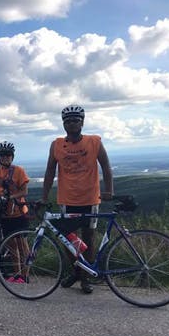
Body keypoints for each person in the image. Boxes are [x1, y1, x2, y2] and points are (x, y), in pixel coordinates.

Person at [42, 104, 114, 294]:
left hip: (90, 198)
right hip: (67, 198)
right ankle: (77, 270)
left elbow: (106, 166)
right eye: (67, 121)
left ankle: (86, 278)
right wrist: (43, 196)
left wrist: (109, 190)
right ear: (63, 124)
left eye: (75, 120)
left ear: (82, 122)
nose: (71, 124)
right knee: (66, 238)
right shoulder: (56, 144)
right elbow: (49, 171)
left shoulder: (94, 142)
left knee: (89, 237)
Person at [0, 141, 30, 283]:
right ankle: (17, 275)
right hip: (4, 214)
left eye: (8, 155)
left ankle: (25, 275)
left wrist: (9, 197)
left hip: (19, 213)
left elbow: (24, 191)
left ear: (12, 156)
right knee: (11, 245)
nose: (5, 158)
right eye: (2, 155)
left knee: (23, 245)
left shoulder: (19, 171)